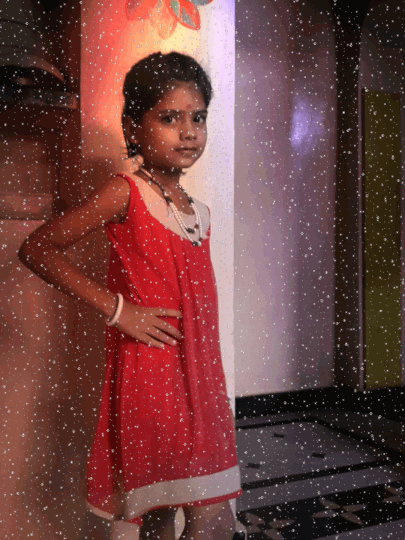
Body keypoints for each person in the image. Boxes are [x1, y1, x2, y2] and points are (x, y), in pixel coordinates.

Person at [18, 51, 242, 540]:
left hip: (201, 379)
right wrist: (119, 310)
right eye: (169, 118)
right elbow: (37, 248)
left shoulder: (199, 212)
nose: (188, 132)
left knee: (194, 513)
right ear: (133, 127)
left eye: (198, 118)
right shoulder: (127, 193)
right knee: (170, 513)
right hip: (151, 374)